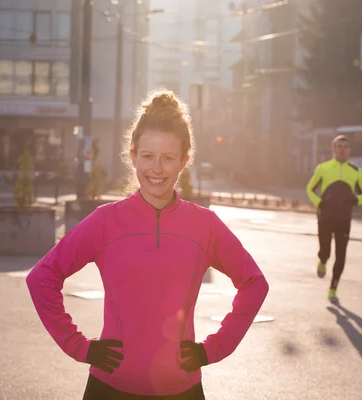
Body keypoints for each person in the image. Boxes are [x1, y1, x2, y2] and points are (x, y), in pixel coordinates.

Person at [26, 89, 269, 399]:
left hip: (182, 390)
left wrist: (213, 349)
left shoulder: (205, 225)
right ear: (133, 156)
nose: (157, 168)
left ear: (184, 161)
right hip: (110, 387)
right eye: (148, 156)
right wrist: (79, 347)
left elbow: (254, 283)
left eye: (168, 158)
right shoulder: (105, 221)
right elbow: (42, 278)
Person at [306, 135, 362, 304]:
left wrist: (357, 200)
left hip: (344, 218)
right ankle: (323, 260)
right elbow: (310, 188)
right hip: (325, 216)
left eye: (345, 147)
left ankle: (333, 289)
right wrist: (319, 203)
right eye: (339, 146)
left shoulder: (355, 171)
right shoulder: (323, 168)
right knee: (325, 248)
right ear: (333, 150)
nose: (342, 149)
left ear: (350, 151)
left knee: (341, 254)